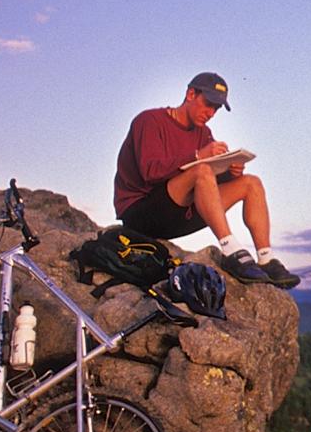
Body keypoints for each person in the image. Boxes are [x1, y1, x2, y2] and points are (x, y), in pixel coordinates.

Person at [113, 72, 298, 289]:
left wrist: (230, 172)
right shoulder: (149, 120)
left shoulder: (203, 132)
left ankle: (266, 259)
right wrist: (199, 156)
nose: (210, 113)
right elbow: (150, 172)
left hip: (179, 214)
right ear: (191, 94)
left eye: (216, 109)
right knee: (201, 170)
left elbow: (207, 184)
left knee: (251, 183)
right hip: (141, 214)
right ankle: (230, 250)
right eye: (208, 104)